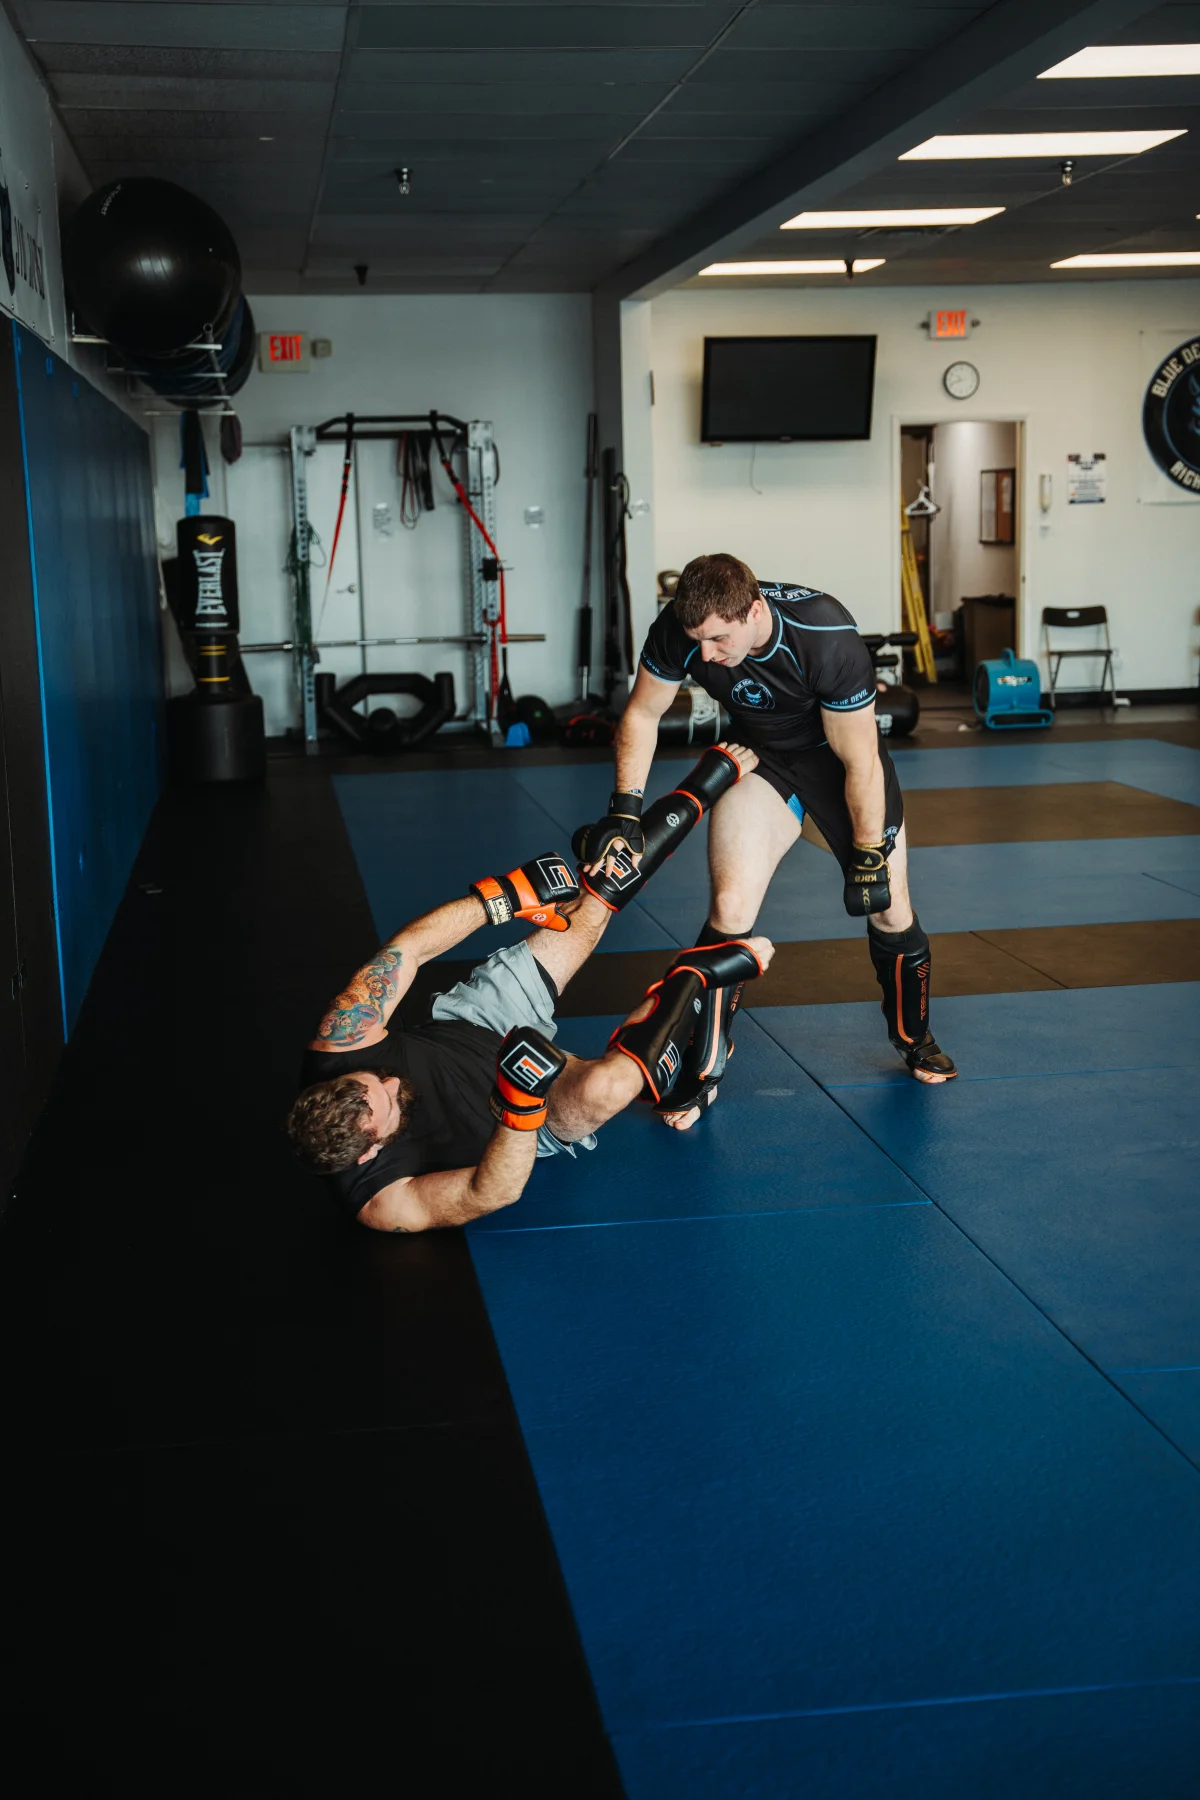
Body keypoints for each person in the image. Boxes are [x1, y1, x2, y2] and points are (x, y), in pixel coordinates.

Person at [286, 745, 771, 1231]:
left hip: (475, 1022)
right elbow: (491, 1191)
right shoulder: (382, 1202)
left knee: (600, 893)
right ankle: (694, 976)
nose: (391, 1080)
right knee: (609, 1087)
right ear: (369, 1152)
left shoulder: (339, 1042)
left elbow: (408, 950)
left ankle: (699, 788)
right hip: (519, 1118)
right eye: (389, 1102)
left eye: (376, 1080)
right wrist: (520, 1103)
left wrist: (501, 898)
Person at [579, 552, 957, 1131]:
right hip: (766, 764)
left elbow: (859, 760)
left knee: (889, 909)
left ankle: (915, 1037)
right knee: (728, 911)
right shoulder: (681, 630)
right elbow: (644, 713)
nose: (706, 656)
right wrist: (625, 810)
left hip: (842, 769)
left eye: (718, 640)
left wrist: (868, 855)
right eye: (697, 641)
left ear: (754, 611)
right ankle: (704, 1062)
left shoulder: (825, 636)